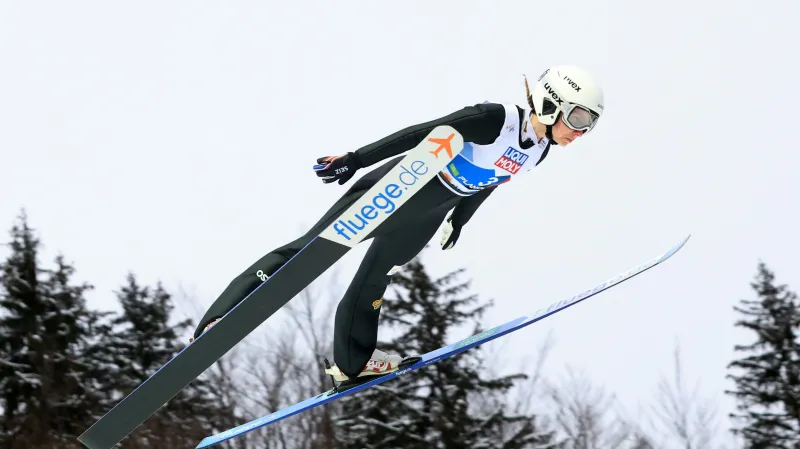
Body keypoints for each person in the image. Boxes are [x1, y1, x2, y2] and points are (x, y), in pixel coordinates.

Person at [191, 65, 605, 389]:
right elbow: (421, 133)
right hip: (401, 188)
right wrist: (357, 158)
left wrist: (459, 220)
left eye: (591, 123)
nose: (582, 131)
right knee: (309, 251)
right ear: (551, 104)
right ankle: (219, 318)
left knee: (375, 281)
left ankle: (351, 364)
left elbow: (492, 180)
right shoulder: (494, 118)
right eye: (579, 116)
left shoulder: (539, 151)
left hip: (430, 211)